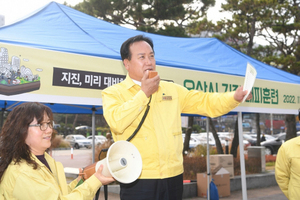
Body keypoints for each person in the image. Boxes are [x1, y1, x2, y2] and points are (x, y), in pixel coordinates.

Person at [101, 34, 253, 200]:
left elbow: (205, 101)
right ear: (126, 63)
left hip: (173, 177)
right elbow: (116, 122)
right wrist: (144, 93)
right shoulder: (113, 93)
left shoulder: (171, 89)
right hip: (137, 179)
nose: (149, 61)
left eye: (151, 56)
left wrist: (233, 97)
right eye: (142, 57)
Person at [0, 102, 114, 200]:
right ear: (21, 130)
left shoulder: (46, 160)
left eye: (49, 123)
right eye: (41, 125)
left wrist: (82, 180)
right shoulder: (22, 173)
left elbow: (60, 195)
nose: (49, 130)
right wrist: (94, 183)